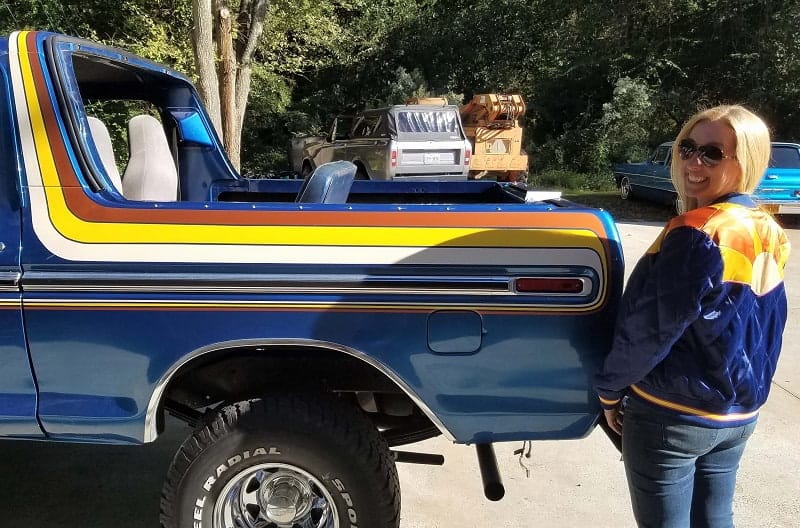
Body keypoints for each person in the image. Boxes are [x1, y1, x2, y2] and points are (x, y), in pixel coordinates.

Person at [593, 105, 791, 528]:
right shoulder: (766, 228)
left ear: (747, 161)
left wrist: (610, 389)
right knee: (716, 519)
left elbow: (652, 328)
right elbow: (765, 326)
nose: (693, 162)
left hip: (673, 414)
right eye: (687, 147)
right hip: (737, 412)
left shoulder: (698, 232)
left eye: (713, 153)